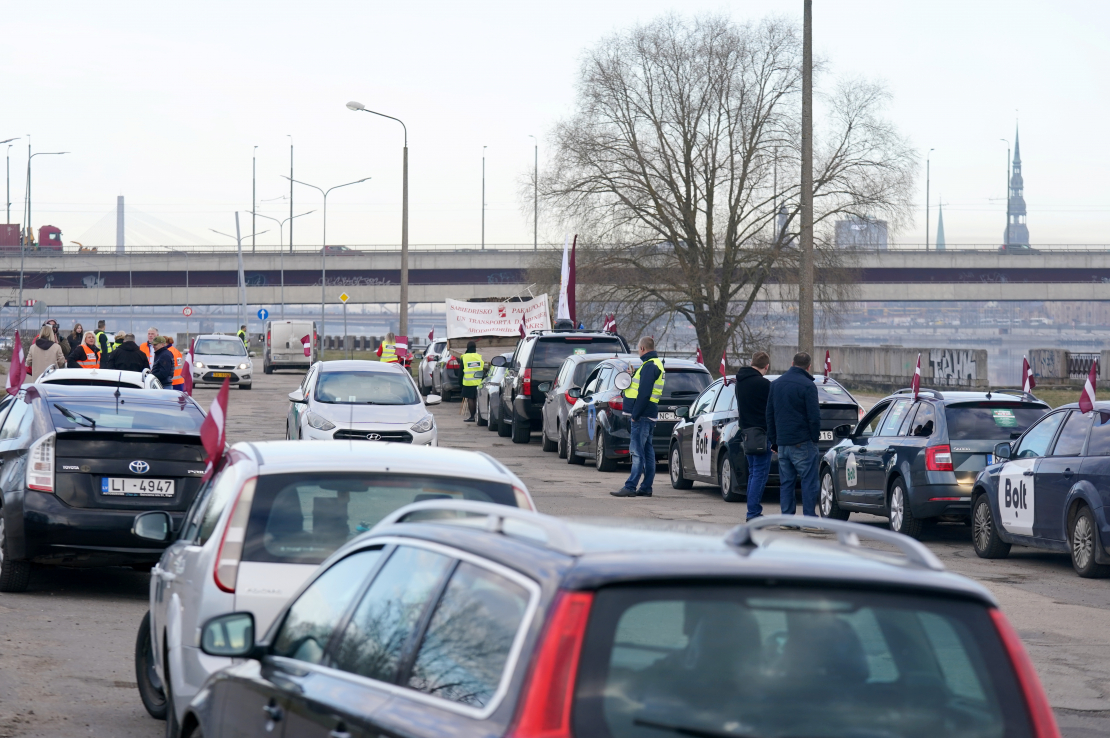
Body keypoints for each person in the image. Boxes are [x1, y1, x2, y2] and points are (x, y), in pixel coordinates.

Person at [766, 351, 822, 521]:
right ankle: (809, 519)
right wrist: (814, 438)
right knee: (808, 481)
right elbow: (814, 417)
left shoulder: (776, 384)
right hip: (802, 441)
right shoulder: (808, 386)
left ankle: (787, 520)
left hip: (782, 442)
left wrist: (774, 441)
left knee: (787, 482)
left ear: (792, 363)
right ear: (809, 366)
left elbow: (770, 414)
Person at [612, 336, 665, 498]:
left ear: (642, 349)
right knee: (647, 452)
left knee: (636, 452)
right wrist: (634, 374)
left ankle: (631, 486)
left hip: (641, 415)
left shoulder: (649, 366)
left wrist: (635, 414)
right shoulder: (652, 365)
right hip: (649, 414)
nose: (638, 352)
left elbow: (644, 393)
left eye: (638, 349)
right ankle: (646, 487)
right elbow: (644, 385)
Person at [732, 352, 774, 521]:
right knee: (759, 474)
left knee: (752, 473)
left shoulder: (740, 382)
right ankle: (753, 512)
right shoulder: (765, 384)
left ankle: (753, 510)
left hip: (746, 433)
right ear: (766, 366)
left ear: (751, 362)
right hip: (762, 433)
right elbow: (771, 410)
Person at [460, 341, 483, 422]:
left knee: (470, 399)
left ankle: (472, 416)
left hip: (468, 382)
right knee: (476, 398)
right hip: (478, 382)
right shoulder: (479, 357)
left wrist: (460, 383)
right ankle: (477, 416)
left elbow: (461, 372)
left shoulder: (464, 357)